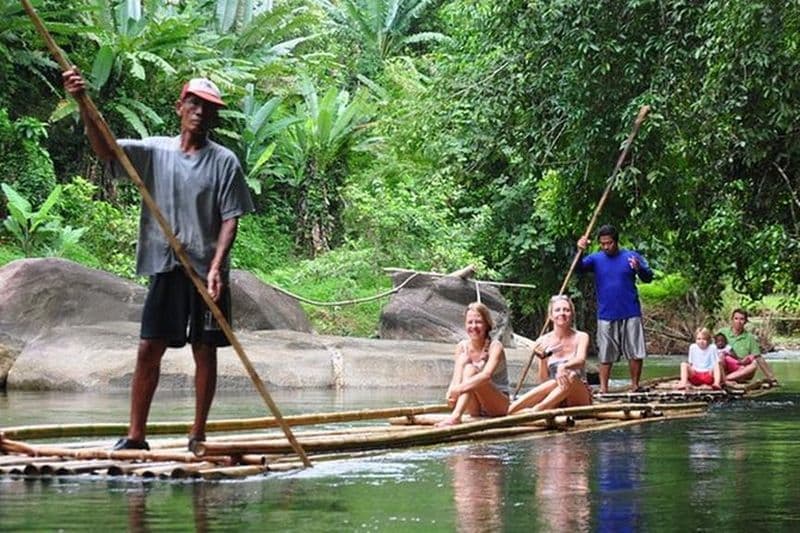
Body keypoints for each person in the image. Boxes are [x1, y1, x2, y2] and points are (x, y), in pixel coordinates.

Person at [63, 68, 254, 451]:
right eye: (194, 104)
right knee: (150, 346)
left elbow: (231, 217)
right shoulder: (154, 151)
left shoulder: (224, 162)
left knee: (205, 350)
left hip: (206, 272)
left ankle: (197, 434)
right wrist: (83, 104)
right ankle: (136, 436)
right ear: (180, 107)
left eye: (208, 108)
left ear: (214, 117)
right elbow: (107, 149)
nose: (199, 112)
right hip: (167, 265)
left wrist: (217, 267)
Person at [577, 224, 653, 393]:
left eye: (609, 243)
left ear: (616, 242)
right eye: (603, 244)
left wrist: (638, 268)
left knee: (635, 351)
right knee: (605, 352)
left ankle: (635, 385)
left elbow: (648, 277)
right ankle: (604, 389)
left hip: (630, 311)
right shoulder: (596, 259)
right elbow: (578, 268)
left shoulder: (631, 256)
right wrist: (580, 250)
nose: (606, 247)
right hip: (606, 313)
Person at [508, 295, 592, 413]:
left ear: (572, 314)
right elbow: (543, 381)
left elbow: (581, 360)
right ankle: (509, 410)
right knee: (554, 382)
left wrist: (564, 367)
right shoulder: (542, 341)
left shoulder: (581, 336)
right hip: (555, 396)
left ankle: (537, 410)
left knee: (571, 375)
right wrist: (542, 358)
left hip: (578, 396)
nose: (562, 313)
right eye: (557, 310)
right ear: (551, 316)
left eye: (566, 310)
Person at [436, 302, 510, 426]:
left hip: (497, 406)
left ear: (487, 324)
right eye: (470, 322)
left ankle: (456, 416)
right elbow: (456, 379)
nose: (474, 326)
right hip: (474, 408)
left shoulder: (495, 346)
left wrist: (457, 389)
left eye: (478, 322)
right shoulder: (462, 347)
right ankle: (457, 413)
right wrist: (451, 394)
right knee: (465, 364)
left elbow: (485, 376)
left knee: (471, 370)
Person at [717, 308, 778, 385]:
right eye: (736, 319)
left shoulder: (749, 337)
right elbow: (710, 349)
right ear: (732, 320)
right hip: (724, 367)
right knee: (720, 356)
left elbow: (758, 357)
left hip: (741, 369)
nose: (738, 322)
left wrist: (771, 377)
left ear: (745, 321)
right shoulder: (722, 332)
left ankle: (726, 379)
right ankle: (721, 378)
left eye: (742, 319)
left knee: (754, 364)